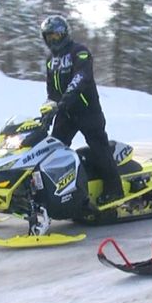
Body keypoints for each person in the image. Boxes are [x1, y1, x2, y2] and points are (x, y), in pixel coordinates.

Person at [39, 15, 123, 205]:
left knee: (99, 149)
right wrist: (47, 112)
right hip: (66, 113)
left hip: (87, 111)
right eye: (48, 37)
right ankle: (56, 192)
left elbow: (80, 79)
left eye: (55, 35)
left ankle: (115, 190)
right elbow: (51, 91)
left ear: (64, 34)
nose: (52, 40)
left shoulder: (80, 52)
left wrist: (63, 102)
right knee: (53, 150)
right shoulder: (50, 61)